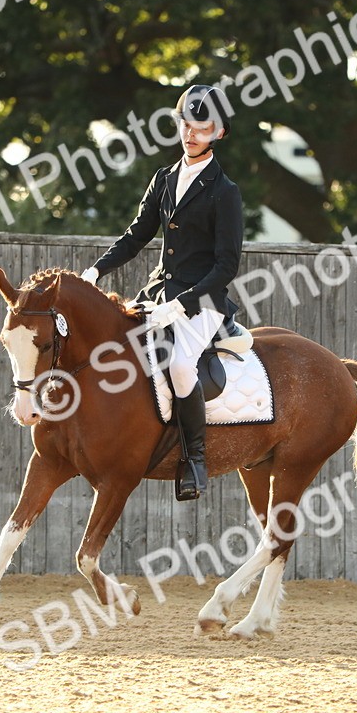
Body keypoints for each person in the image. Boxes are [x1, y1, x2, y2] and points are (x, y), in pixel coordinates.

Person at [80, 84, 243, 501]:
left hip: (203, 301)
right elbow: (137, 235)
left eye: (201, 126)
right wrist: (97, 269)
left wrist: (184, 304)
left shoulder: (225, 193)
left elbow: (226, 266)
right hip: (158, 293)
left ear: (219, 133)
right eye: (185, 124)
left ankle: (195, 459)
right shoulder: (164, 178)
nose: (190, 133)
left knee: (181, 365)